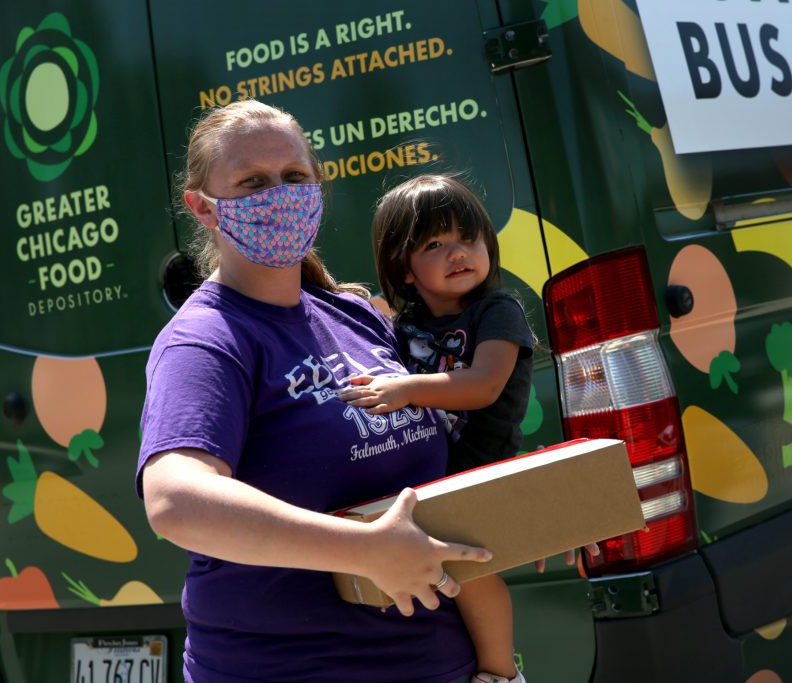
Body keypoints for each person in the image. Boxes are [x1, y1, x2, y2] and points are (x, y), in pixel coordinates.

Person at [137, 100, 491, 683]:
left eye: (295, 178)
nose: (279, 194)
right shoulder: (205, 341)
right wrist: (362, 549)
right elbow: (176, 502)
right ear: (203, 208)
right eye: (252, 181)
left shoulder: (351, 312)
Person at [339, 174, 533, 683]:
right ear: (404, 271)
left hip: (482, 469)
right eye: (435, 244)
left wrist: (403, 390)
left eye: (467, 238)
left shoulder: (499, 311)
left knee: (472, 575)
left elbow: (483, 385)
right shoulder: (403, 326)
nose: (457, 252)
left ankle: (499, 672)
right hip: (429, 479)